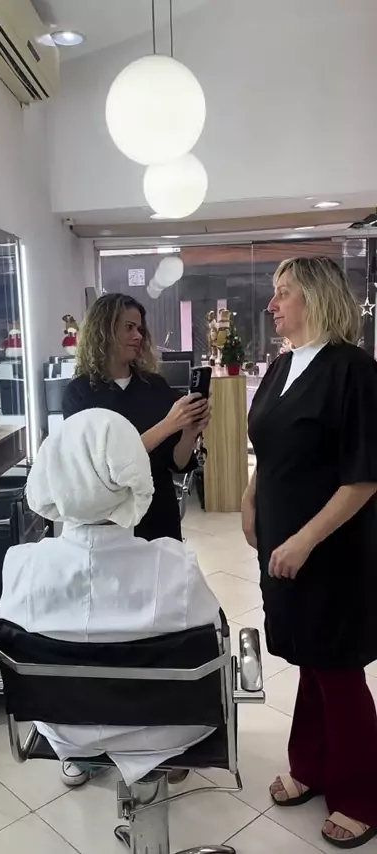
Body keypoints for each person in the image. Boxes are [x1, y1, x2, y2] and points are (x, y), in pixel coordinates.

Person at [0, 408, 222, 789]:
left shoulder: (22, 566)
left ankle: (85, 760)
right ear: (133, 472)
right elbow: (213, 644)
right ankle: (158, 763)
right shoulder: (175, 565)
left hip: (63, 727)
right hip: (166, 729)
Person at [242, 256, 377, 848]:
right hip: (282, 539)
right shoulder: (281, 366)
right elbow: (271, 446)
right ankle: (311, 765)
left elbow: (363, 477)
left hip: (332, 546)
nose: (272, 304)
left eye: (285, 293)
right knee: (308, 656)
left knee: (338, 668)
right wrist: (250, 496)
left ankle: (361, 795)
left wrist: (304, 538)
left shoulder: (354, 370)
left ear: (316, 298)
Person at [62, 293, 210, 543]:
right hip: (107, 522)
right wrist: (168, 425)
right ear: (104, 331)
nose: (138, 336)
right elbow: (103, 465)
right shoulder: (79, 394)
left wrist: (189, 431)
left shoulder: (155, 387)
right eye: (129, 327)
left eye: (140, 329)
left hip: (158, 516)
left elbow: (177, 462)